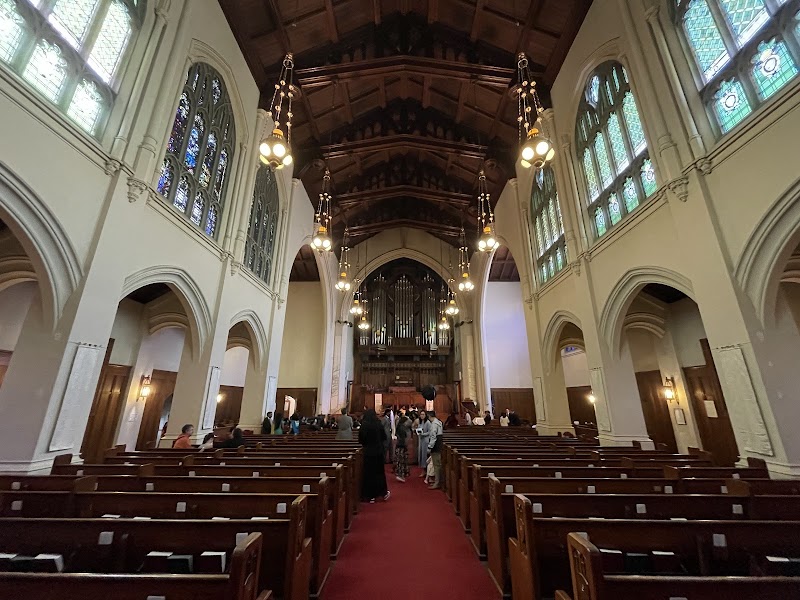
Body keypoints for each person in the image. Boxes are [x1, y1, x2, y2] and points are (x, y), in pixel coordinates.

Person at [358, 409, 390, 502]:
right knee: (379, 473)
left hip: (368, 452)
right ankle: (382, 493)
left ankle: (369, 496)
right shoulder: (378, 423)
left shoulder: (364, 425)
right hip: (378, 452)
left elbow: (361, 439)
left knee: (368, 474)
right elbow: (384, 437)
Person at [426, 410, 444, 489]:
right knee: (438, 464)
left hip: (435, 447)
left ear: (429, 416)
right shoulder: (439, 422)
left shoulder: (434, 424)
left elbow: (433, 437)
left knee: (436, 465)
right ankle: (438, 481)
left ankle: (437, 483)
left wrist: (430, 447)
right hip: (439, 445)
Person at [394, 413, 411, 482]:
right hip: (401, 446)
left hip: (399, 446)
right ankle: (401, 474)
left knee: (400, 460)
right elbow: (404, 439)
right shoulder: (402, 429)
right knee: (401, 461)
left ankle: (401, 473)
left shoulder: (400, 427)